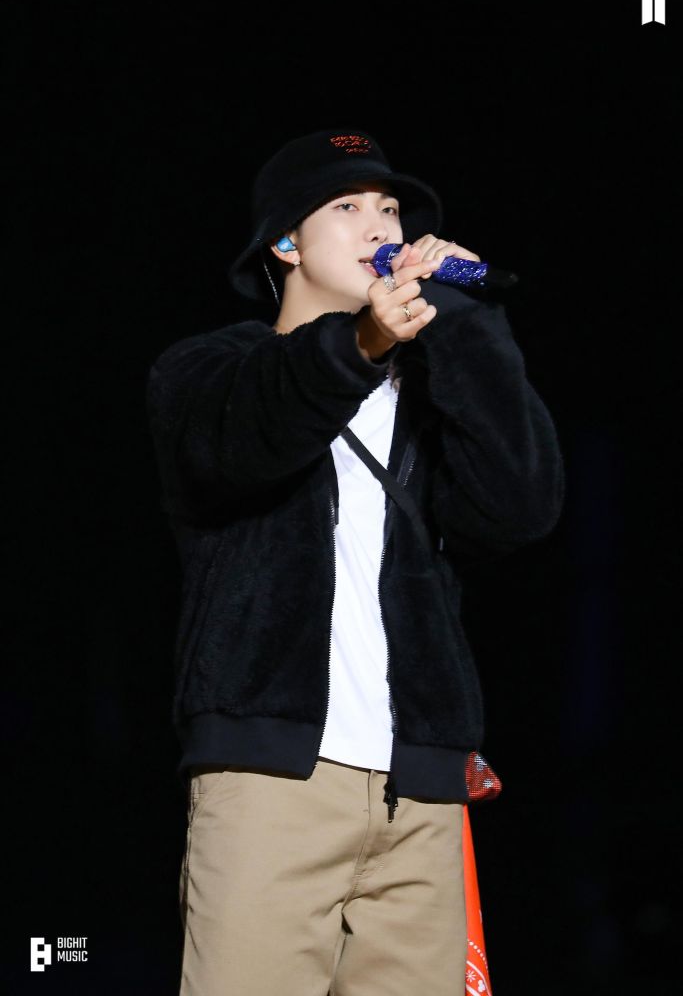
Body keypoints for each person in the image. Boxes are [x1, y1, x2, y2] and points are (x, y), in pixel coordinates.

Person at [145, 127, 565, 996]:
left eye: (390, 208)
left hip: (420, 793)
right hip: (272, 782)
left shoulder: (432, 398)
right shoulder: (209, 369)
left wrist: (464, 319)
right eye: (346, 206)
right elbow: (242, 444)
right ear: (285, 242)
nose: (380, 224)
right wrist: (359, 345)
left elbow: (522, 507)